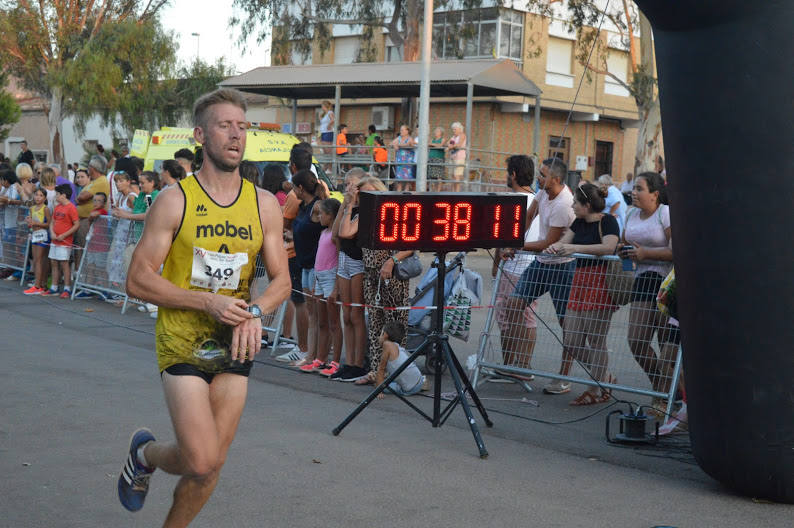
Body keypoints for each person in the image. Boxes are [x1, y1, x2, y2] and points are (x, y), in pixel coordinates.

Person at [118, 88, 290, 524]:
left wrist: (255, 311)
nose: (236, 135)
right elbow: (138, 279)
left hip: (237, 341)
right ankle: (145, 451)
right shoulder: (175, 200)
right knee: (198, 459)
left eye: (242, 127)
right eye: (224, 125)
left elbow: (282, 281)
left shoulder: (264, 204)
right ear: (200, 134)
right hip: (182, 338)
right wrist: (206, 302)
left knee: (212, 463)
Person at [501, 158, 576, 395]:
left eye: (543, 176)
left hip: (563, 266)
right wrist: (515, 239)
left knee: (567, 323)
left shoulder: (564, 203)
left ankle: (563, 377)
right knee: (513, 304)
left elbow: (548, 242)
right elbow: (528, 216)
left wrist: (518, 246)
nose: (538, 179)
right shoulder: (543, 193)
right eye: (539, 175)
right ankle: (519, 363)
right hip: (542, 262)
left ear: (556, 179)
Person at [545, 182, 620, 405]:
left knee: (596, 339)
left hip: (599, 282)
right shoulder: (578, 222)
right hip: (579, 281)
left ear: (587, 205)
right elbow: (563, 243)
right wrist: (552, 248)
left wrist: (576, 249)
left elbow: (609, 247)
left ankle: (595, 389)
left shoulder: (608, 221)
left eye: (576, 202)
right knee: (572, 339)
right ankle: (604, 378)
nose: (573, 206)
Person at [620, 171, 677, 401]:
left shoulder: (666, 213)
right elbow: (624, 245)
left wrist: (645, 253)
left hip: (665, 281)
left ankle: (668, 395)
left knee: (665, 343)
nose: (633, 193)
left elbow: (675, 251)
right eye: (633, 188)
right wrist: (625, 259)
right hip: (642, 280)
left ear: (655, 194)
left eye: (639, 189)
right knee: (636, 341)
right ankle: (661, 387)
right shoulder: (631, 213)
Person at [355, 176, 412, 385]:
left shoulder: (392, 213)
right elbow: (343, 232)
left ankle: (396, 373)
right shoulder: (363, 216)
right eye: (363, 195)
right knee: (376, 327)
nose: (366, 197)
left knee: (395, 328)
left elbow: (411, 244)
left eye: (370, 192)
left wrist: (392, 260)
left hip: (392, 277)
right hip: (371, 278)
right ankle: (376, 372)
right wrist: (348, 203)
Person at [492, 155, 540, 380]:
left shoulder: (514, 202)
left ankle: (514, 364)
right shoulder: (537, 199)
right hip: (533, 266)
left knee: (506, 316)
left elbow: (503, 239)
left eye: (507, 172)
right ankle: (522, 364)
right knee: (527, 316)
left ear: (513, 174)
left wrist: (495, 266)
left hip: (513, 268)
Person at [329, 169, 368, 381]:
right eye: (345, 184)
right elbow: (335, 234)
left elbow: (347, 233)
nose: (347, 188)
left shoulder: (364, 208)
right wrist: (345, 204)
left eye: (351, 184)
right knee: (346, 314)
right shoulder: (348, 206)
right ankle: (349, 361)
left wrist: (352, 203)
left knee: (355, 314)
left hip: (357, 261)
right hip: (343, 260)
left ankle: (358, 363)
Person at [289, 169, 328, 370]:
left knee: (319, 315)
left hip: (315, 266)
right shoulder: (303, 206)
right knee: (313, 315)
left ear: (301, 187)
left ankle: (319, 356)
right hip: (304, 265)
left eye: (294, 186)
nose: (292, 189)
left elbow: (329, 220)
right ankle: (310, 355)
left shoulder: (316, 206)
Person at [300, 197, 343, 376]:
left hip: (331, 278)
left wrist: (336, 289)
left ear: (331, 215)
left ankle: (336, 361)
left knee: (334, 323)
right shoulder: (323, 233)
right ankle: (321, 358)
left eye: (322, 214)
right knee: (322, 322)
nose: (319, 217)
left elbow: (340, 259)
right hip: (319, 277)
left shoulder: (335, 234)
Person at [42, 184, 79, 298]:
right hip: (55, 240)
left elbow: (76, 224)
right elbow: (52, 221)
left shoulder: (71, 207)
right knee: (53, 262)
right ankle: (54, 287)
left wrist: (64, 235)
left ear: (63, 195)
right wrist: (52, 233)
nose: (55, 196)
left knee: (64, 264)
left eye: (57, 194)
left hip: (64, 242)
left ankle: (67, 288)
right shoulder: (57, 207)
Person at [75, 155, 111, 266]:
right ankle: (80, 277)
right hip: (83, 220)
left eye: (89, 166)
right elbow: (79, 198)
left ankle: (84, 278)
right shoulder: (93, 182)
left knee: (86, 252)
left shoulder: (101, 181)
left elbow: (81, 198)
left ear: (93, 168)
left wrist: (81, 199)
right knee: (80, 249)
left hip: (89, 221)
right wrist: (80, 199)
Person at [375, 321, 426, 399]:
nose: (379, 337)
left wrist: (379, 391)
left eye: (381, 334)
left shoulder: (387, 344)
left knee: (379, 383)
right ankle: (423, 381)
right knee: (386, 378)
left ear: (385, 335)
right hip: (419, 381)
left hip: (409, 389)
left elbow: (381, 369)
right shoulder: (398, 347)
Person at [107, 172, 137, 289]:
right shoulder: (120, 196)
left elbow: (140, 213)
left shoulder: (132, 196)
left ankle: (128, 294)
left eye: (121, 181)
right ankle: (120, 292)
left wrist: (124, 214)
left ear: (128, 182)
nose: (118, 184)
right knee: (115, 262)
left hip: (129, 234)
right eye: (116, 182)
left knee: (126, 263)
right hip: (120, 233)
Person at [23, 188, 51, 295]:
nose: (38, 197)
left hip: (42, 235)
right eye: (36, 195)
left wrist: (35, 223)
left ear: (44, 198)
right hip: (35, 235)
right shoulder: (32, 208)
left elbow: (48, 224)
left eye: (40, 195)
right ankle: (38, 284)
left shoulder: (46, 209)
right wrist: (29, 222)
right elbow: (31, 224)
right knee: (35, 260)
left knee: (39, 260)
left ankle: (38, 286)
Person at [391, 124, 416, 191]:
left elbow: (408, 144)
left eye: (402, 130)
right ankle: (398, 195)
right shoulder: (398, 138)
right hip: (400, 161)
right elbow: (392, 143)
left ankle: (406, 194)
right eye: (400, 130)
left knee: (407, 180)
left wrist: (398, 145)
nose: (401, 131)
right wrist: (394, 145)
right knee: (399, 181)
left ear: (407, 131)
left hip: (407, 162)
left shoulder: (410, 138)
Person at [444, 122, 467, 192]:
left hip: (460, 157)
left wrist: (449, 147)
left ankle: (457, 193)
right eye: (453, 129)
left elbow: (459, 144)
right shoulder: (453, 137)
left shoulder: (462, 135)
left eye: (455, 129)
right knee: (453, 176)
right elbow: (448, 143)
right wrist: (450, 146)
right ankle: (453, 192)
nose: (454, 131)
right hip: (453, 157)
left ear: (460, 129)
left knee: (457, 176)